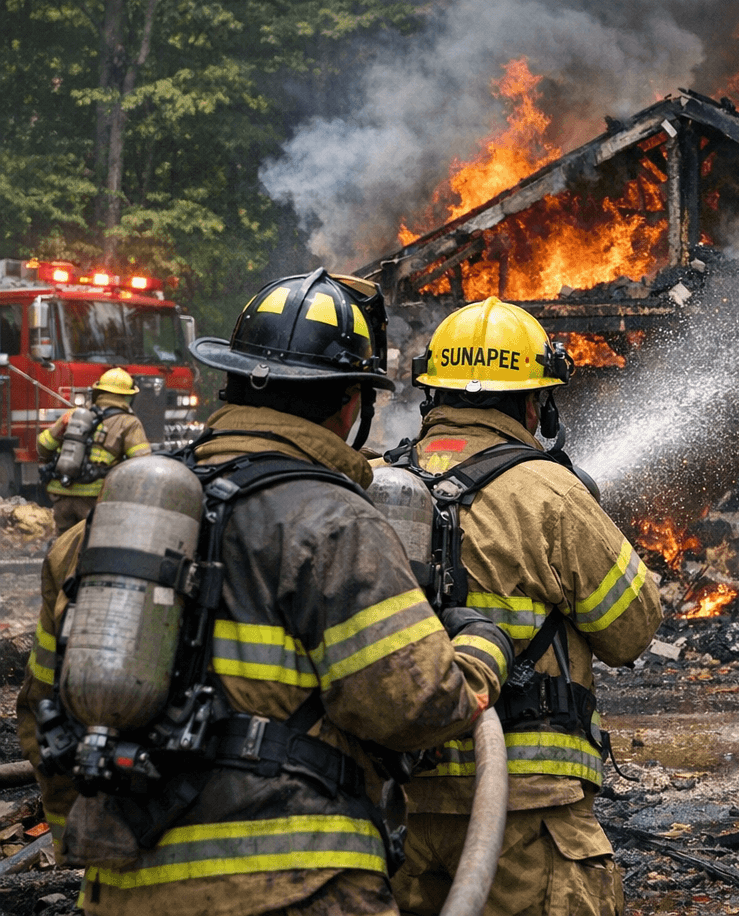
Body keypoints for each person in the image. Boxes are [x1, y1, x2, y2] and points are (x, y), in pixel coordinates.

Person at [19, 269, 516, 916]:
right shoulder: (338, 525)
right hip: (302, 887)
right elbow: (411, 706)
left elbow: (42, 720)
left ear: (227, 383)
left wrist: (114, 858)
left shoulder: (105, 529)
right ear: (351, 404)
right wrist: (480, 655)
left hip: (126, 891)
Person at [390, 297, 662, 916]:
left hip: (403, 812)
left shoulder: (380, 484)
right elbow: (632, 630)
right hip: (529, 817)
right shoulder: (550, 493)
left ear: (433, 394)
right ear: (536, 404)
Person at [36, 366, 151, 533]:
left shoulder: (73, 415)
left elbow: (43, 447)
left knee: (63, 548)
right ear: (127, 397)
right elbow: (142, 465)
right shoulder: (129, 423)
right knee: (91, 548)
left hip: (61, 495)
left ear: (98, 392)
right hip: (95, 498)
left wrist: (61, 429)